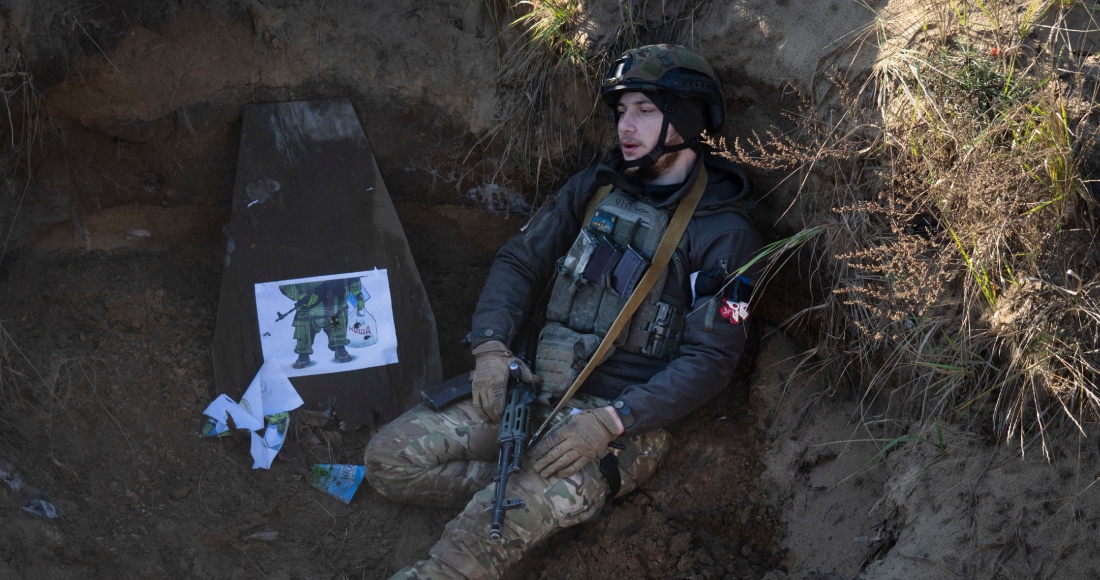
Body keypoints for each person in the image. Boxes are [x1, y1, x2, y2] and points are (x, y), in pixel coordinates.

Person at [364, 44, 763, 579]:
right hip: (533, 388)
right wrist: (490, 347)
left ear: (685, 117)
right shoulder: (596, 188)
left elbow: (712, 359)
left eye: (645, 110)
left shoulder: (725, 235)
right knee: (387, 461)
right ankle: (533, 498)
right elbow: (520, 262)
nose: (627, 125)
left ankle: (514, 513)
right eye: (621, 111)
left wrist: (611, 421)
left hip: (620, 422)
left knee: (486, 529)